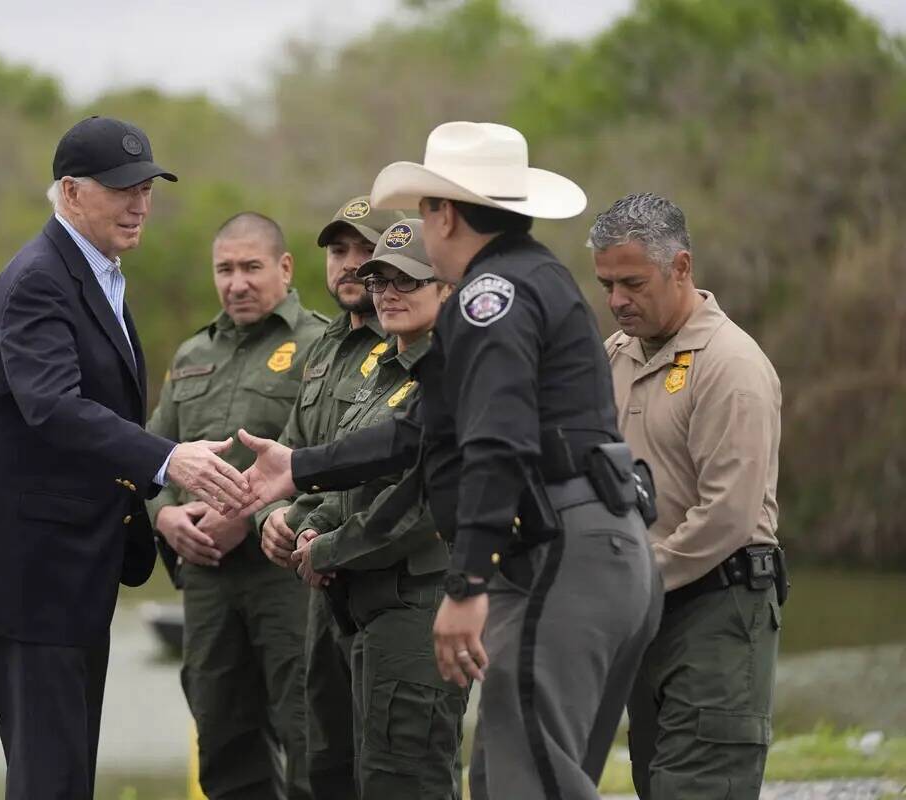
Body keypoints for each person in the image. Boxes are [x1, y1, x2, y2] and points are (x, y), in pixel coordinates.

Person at [236, 121, 662, 800]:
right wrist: (301, 468)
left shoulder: (490, 299)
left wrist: (464, 585)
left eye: (426, 209)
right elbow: (422, 432)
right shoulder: (524, 280)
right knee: (504, 779)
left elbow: (495, 444)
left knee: (530, 781)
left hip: (563, 552)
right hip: (587, 548)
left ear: (445, 213)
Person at [0, 116, 251, 800]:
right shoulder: (39, 280)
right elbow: (54, 407)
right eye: (122, 187)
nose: (141, 203)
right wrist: (168, 461)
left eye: (149, 186)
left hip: (70, 571)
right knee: (51, 781)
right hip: (28, 574)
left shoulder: (97, 275)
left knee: (63, 778)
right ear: (70, 193)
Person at [591, 193, 784, 799]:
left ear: (680, 267)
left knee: (699, 787)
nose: (618, 300)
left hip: (717, 609)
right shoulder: (614, 356)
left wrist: (631, 578)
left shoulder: (732, 364)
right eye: (606, 284)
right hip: (644, 609)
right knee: (656, 781)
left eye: (632, 282)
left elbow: (727, 513)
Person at [145, 212, 328, 800]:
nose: (237, 283)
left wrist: (242, 517)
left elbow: (331, 457)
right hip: (207, 583)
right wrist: (165, 517)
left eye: (251, 267)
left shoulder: (321, 344)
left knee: (309, 735)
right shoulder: (193, 351)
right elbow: (154, 454)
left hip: (287, 577)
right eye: (225, 269)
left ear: (285, 267)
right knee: (221, 736)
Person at [291, 219, 469, 798]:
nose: (388, 293)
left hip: (420, 604)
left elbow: (421, 506)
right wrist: (311, 523)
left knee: (406, 780)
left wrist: (327, 549)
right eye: (378, 279)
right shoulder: (380, 371)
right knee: (349, 774)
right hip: (361, 607)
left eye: (407, 281)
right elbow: (351, 478)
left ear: (447, 289)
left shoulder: (456, 376)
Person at [253, 195, 399, 799]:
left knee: (397, 769)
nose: (350, 265)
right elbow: (290, 455)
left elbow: (397, 474)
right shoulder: (324, 350)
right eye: (339, 251)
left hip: (388, 583)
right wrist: (271, 518)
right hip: (321, 592)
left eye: (366, 251)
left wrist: (317, 529)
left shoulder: (409, 346)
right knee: (325, 763)